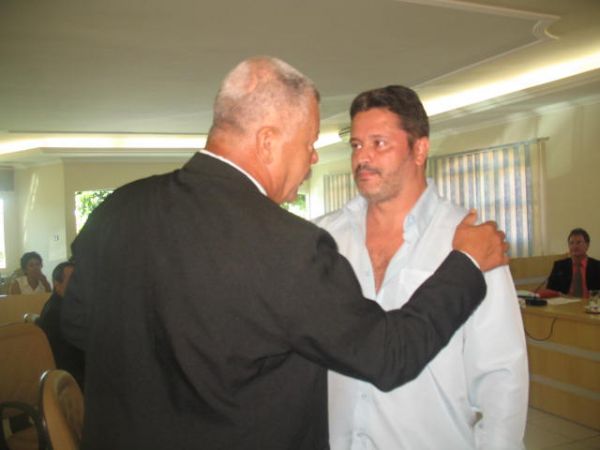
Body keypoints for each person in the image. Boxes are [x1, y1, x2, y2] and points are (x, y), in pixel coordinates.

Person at [61, 56, 508, 450]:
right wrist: (467, 263)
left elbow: (77, 327)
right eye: (309, 143)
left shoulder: (117, 208)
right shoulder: (289, 246)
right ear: (268, 141)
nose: (314, 158)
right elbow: (390, 355)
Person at [316, 85, 528, 449]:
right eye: (356, 145)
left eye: (379, 143)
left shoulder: (471, 242)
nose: (362, 157)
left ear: (420, 149)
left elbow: (501, 374)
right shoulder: (325, 238)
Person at [38, 261, 85, 389]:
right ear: (57, 285)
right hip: (68, 377)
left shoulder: (65, 304)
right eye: (72, 281)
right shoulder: (57, 311)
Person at [547, 228, 600, 298]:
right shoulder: (560, 266)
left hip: (590, 303)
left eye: (578, 243)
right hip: (566, 303)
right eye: (571, 243)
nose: (574, 246)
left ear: (587, 245)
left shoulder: (597, 266)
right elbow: (550, 291)